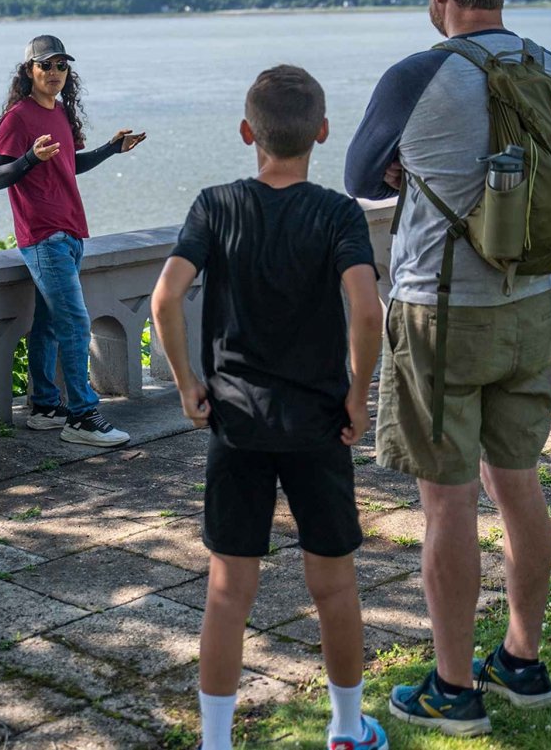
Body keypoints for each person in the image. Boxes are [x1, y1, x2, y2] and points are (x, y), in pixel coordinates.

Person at [344, 0, 551, 736]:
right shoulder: (548, 65)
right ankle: (521, 660)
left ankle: (450, 685)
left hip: (442, 315)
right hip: (532, 304)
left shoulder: (417, 74)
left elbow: (359, 174)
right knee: (519, 484)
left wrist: (410, 160)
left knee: (447, 504)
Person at [152, 65, 387, 750]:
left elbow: (166, 298)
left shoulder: (215, 205)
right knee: (335, 586)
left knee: (228, 592)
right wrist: (358, 394)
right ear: (321, 131)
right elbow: (367, 311)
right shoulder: (338, 212)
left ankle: (217, 741)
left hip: (236, 421)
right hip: (319, 422)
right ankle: (346, 728)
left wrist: (186, 383)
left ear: (247, 131)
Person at [0, 34, 146, 447]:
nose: (55, 73)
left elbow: (69, 164)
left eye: (61, 66)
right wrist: (29, 159)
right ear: (29, 71)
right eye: (46, 65)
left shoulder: (59, 112)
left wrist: (112, 149)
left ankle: (44, 406)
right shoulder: (17, 118)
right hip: (43, 236)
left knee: (48, 324)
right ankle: (81, 415)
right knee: (76, 322)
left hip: (71, 231)